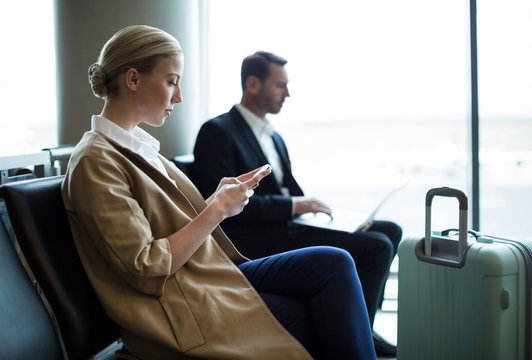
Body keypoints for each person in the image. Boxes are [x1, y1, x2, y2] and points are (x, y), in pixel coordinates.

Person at [61, 25, 376, 360]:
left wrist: (215, 201)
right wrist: (216, 211)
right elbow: (146, 267)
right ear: (133, 79)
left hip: (203, 276)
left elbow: (166, 229)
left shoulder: (139, 149)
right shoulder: (96, 162)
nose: (178, 96)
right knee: (324, 291)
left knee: (333, 263)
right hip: (180, 302)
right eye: (171, 81)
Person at [193, 50, 402, 357]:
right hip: (256, 237)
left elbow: (293, 193)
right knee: (377, 246)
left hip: (288, 227)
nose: (287, 94)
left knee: (390, 230)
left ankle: (364, 326)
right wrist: (295, 206)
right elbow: (224, 207)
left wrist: (343, 220)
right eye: (280, 85)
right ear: (253, 84)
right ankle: (361, 333)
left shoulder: (274, 137)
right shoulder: (218, 131)